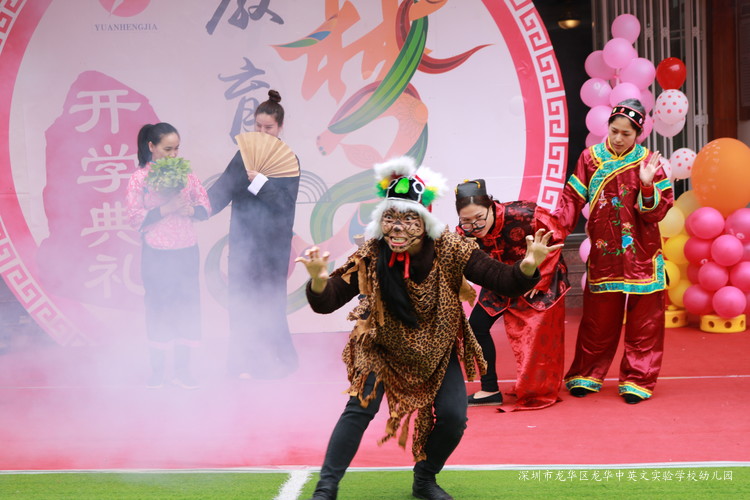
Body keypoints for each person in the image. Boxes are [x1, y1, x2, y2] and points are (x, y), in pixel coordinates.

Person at [296, 156, 561, 500]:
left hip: (436, 347)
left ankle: (424, 480)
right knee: (360, 408)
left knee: (453, 417)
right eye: (390, 217)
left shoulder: (451, 248)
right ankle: (326, 488)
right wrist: (318, 281)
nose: (397, 227)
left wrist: (527, 265)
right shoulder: (372, 253)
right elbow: (329, 299)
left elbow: (501, 279)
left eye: (408, 218)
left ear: (424, 221)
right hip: (381, 344)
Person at [553, 98, 673, 404]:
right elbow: (571, 200)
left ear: (638, 134)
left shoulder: (649, 163)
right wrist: (554, 232)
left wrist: (647, 185)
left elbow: (656, 213)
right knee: (598, 318)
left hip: (643, 252)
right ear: (607, 127)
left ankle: (638, 379)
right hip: (605, 252)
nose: (618, 138)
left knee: (645, 322)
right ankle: (586, 374)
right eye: (614, 131)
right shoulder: (589, 158)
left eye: (626, 134)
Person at [207, 90, 300, 379]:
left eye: (268, 127)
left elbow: (285, 206)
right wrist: (197, 207)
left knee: (270, 305)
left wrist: (260, 182)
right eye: (257, 126)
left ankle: (280, 362)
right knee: (240, 303)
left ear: (280, 127)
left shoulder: (288, 160)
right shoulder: (242, 156)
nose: (261, 132)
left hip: (273, 247)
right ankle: (240, 363)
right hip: (242, 243)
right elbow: (222, 190)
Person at [455, 180, 569, 411]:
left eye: (479, 218)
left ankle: (536, 391)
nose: (474, 226)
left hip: (538, 281)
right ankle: (490, 389)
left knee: (534, 337)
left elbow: (556, 236)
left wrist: (541, 275)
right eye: (466, 221)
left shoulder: (525, 213)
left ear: (491, 206)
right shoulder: (463, 233)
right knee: (475, 327)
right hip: (499, 281)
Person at [126, 122, 211, 389]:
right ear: (151, 147)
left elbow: (205, 205)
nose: (173, 154)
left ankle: (183, 371)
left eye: (176, 149)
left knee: (187, 309)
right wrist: (166, 208)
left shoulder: (187, 174)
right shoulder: (140, 178)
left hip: (186, 251)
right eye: (167, 149)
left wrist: (190, 210)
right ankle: (158, 372)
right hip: (157, 254)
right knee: (159, 310)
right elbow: (133, 217)